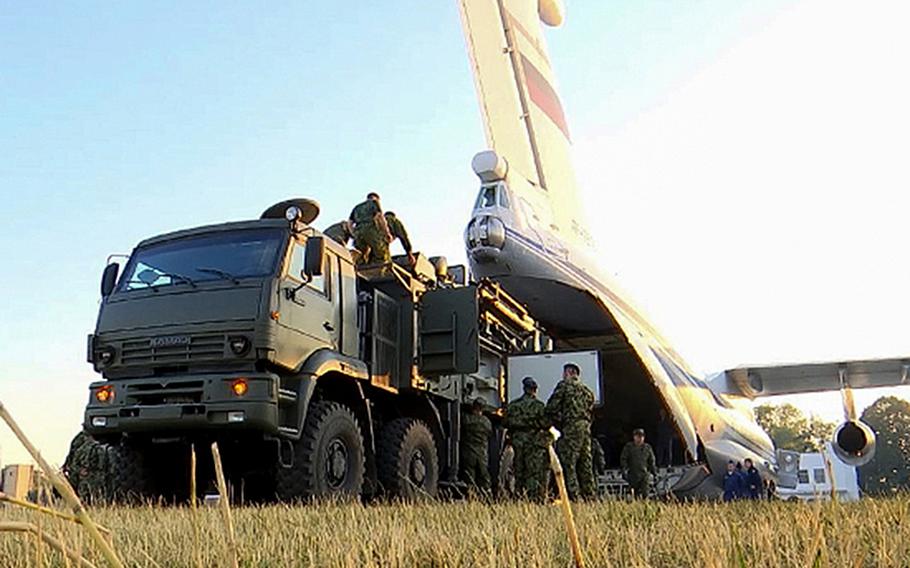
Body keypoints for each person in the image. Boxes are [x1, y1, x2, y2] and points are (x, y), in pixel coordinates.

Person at [545, 363, 596, 500]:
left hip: (571, 427)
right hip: (585, 429)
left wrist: (560, 423)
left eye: (564, 372)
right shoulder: (587, 391)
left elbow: (551, 408)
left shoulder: (564, 386)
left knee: (569, 462)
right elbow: (591, 410)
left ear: (569, 372)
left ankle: (573, 496)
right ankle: (589, 496)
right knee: (585, 462)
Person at [504, 377, 551, 502]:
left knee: (518, 470)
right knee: (533, 471)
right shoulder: (540, 406)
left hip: (517, 440)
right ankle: (532, 498)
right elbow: (546, 423)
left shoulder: (513, 405)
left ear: (524, 389)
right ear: (535, 390)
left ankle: (518, 497)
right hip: (533, 441)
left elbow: (505, 422)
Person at [349, 192, 392, 265]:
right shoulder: (375, 202)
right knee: (381, 253)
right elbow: (380, 218)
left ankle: (359, 270)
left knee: (361, 255)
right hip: (370, 230)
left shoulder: (357, 207)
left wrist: (354, 234)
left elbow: (349, 223)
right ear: (376, 198)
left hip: (358, 232)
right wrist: (387, 233)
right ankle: (379, 272)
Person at [460, 398, 492, 495]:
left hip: (469, 453)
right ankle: (485, 496)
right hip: (482, 454)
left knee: (470, 478)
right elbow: (490, 433)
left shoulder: (466, 418)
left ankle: (471, 497)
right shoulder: (487, 422)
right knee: (483, 476)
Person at [620, 428, 657, 499]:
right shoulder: (629, 447)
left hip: (644, 475)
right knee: (633, 495)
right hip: (633, 474)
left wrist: (654, 473)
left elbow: (652, 461)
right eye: (637, 436)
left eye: (641, 437)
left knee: (645, 495)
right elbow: (623, 459)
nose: (639, 439)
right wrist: (624, 470)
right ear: (634, 437)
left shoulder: (647, 448)